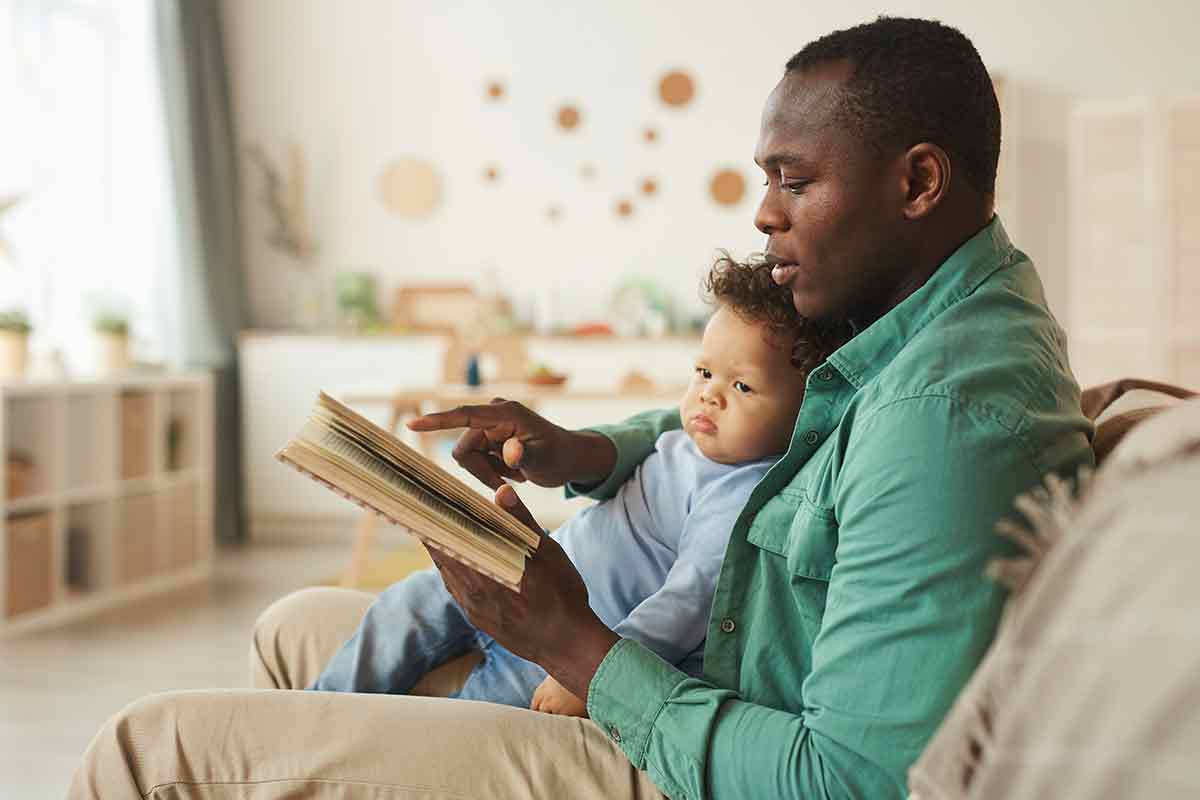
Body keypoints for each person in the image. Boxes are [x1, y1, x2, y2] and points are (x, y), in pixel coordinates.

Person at [70, 16, 1093, 799]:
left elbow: (850, 780)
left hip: (698, 746)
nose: (763, 212)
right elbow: (742, 440)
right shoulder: (908, 320)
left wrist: (574, 644)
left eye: (794, 179)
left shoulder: (946, 416)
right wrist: (586, 450)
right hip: (699, 679)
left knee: (148, 747)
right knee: (299, 624)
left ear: (918, 180)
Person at [308, 255, 847, 717]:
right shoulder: (684, 441)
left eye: (743, 385)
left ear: (806, 410)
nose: (710, 397)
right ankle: (315, 712)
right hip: (518, 584)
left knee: (465, 725)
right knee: (405, 604)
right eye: (704, 373)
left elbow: (684, 607)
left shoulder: (739, 497)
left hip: (559, 651)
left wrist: (593, 675)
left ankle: (367, 746)